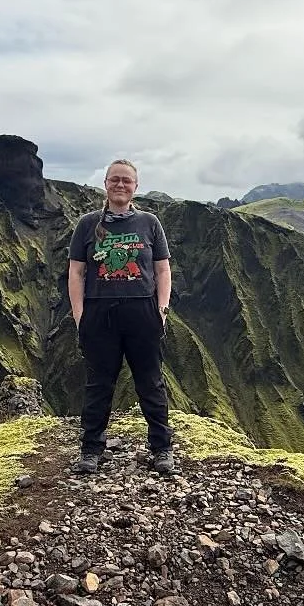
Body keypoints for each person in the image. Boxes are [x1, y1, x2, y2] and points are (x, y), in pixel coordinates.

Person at [67, 159, 175, 475]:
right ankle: (91, 450)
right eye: (115, 179)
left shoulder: (150, 223)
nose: (120, 185)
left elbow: (162, 269)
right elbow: (76, 271)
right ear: (105, 184)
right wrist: (80, 315)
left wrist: (162, 310)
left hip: (142, 310)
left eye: (126, 181)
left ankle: (162, 448)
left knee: (150, 382)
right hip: (99, 312)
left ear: (135, 187)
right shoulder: (87, 224)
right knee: (99, 384)